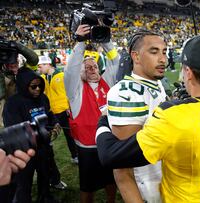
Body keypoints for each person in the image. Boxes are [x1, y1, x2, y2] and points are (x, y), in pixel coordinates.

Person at [96, 35, 200, 202]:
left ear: (188, 72)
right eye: (155, 52)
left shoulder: (174, 117)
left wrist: (102, 121)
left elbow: (113, 157)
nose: (162, 59)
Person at [107, 30, 168, 203]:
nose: (163, 59)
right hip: (148, 191)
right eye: (154, 52)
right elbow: (122, 168)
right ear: (136, 56)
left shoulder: (155, 84)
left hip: (167, 183)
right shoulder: (127, 93)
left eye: (164, 52)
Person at [64, 24, 119, 203]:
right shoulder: (75, 91)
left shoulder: (108, 83)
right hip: (87, 147)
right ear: (81, 73)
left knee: (111, 182)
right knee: (87, 187)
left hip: (109, 144)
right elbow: (70, 70)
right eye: (87, 67)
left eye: (94, 66)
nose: (92, 69)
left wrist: (107, 42)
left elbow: (116, 62)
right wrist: (80, 44)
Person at [1, 67, 60, 203]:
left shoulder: (43, 98)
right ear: (23, 85)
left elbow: (50, 114)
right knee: (23, 183)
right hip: (23, 152)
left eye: (40, 86)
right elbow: (15, 129)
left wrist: (55, 123)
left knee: (44, 176)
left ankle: (44, 197)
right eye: (33, 86)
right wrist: (41, 132)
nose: (38, 89)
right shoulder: (13, 104)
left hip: (44, 148)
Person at [38, 55, 78, 164]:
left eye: (41, 66)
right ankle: (48, 159)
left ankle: (75, 156)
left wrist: (70, 108)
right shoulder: (42, 78)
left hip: (63, 111)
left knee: (69, 135)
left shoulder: (62, 75)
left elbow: (70, 93)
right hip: (50, 112)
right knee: (47, 136)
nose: (39, 69)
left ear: (48, 64)